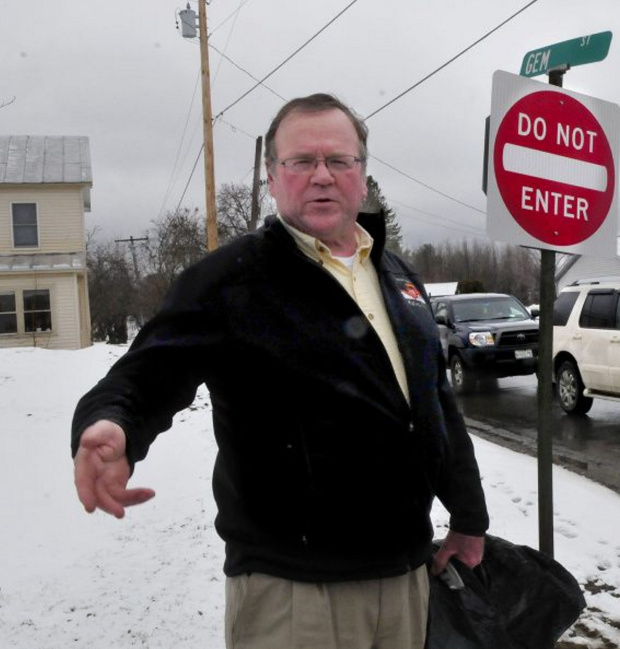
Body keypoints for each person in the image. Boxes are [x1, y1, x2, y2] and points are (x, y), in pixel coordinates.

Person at [71, 92, 489, 649]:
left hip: (407, 574)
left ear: (362, 177)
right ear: (272, 177)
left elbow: (435, 405)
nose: (322, 176)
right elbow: (148, 374)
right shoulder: (230, 280)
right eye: (301, 162)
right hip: (295, 592)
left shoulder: (398, 277)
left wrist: (467, 515)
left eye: (339, 161)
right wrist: (112, 423)